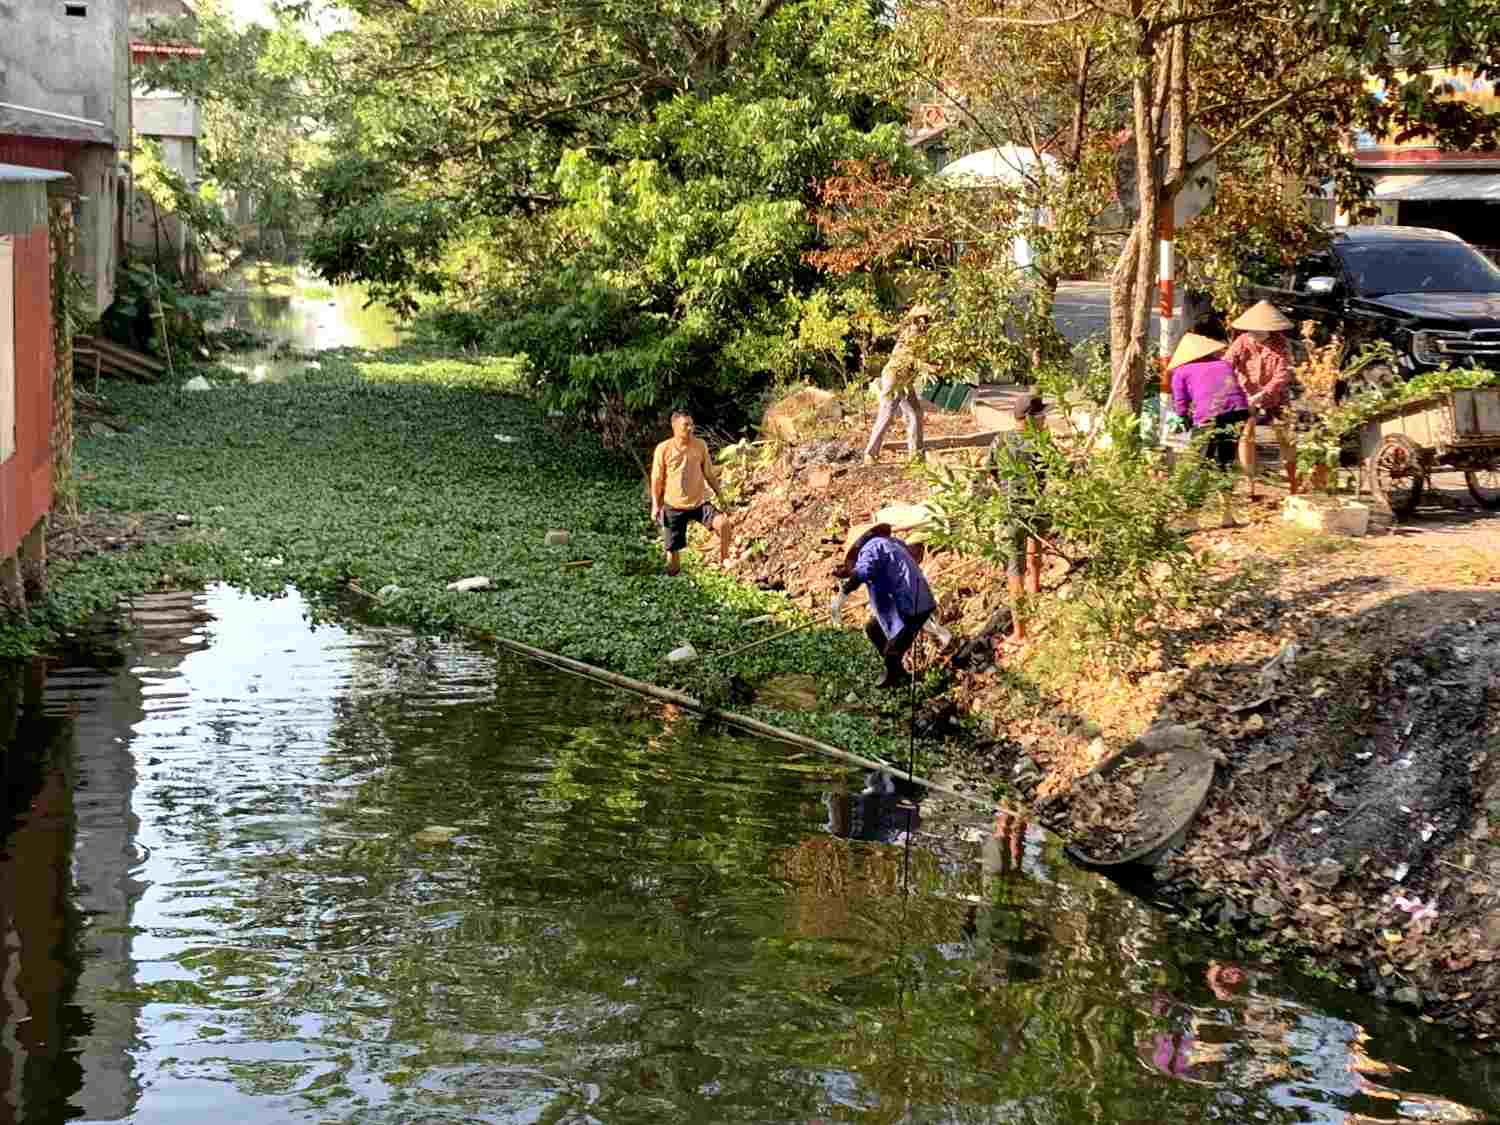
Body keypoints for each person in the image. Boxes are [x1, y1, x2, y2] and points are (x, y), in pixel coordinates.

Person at [831, 522, 936, 689]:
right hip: (911, 599)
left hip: (911, 606)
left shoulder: (871, 547)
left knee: (892, 653)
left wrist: (842, 595)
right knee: (873, 628)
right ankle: (896, 669)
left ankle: (900, 680)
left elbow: (863, 572)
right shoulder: (891, 542)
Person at [1168, 332, 1251, 528]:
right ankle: (1227, 515)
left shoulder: (1181, 372)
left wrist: (1183, 420)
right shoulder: (1223, 364)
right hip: (1238, 413)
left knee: (1201, 464)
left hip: (1209, 416)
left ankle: (1191, 519)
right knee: (1225, 462)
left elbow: (1180, 405)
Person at [988, 394, 1050, 648]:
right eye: (1042, 416)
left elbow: (990, 471)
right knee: (1035, 542)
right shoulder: (1043, 443)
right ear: (1030, 419)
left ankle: (1020, 632)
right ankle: (1034, 588)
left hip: (1010, 513)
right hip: (1036, 507)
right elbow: (1057, 471)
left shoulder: (1000, 441)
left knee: (1014, 571)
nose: (1045, 419)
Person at [1226, 300, 1298, 498]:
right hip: (1247, 394)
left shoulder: (1282, 344)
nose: (1254, 334)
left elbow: (1283, 374)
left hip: (1276, 395)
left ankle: (1293, 485)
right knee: (1246, 436)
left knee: (1285, 437)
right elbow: (1227, 364)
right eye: (1252, 330)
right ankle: (1250, 485)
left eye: (1259, 331)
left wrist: (1264, 393)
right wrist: (1239, 384)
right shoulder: (1242, 341)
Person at [650, 409, 734, 577]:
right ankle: (671, 573)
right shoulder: (663, 449)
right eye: (685, 425)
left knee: (723, 524)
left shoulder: (700, 445)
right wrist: (655, 505)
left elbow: (709, 473)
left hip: (699, 503)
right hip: (673, 506)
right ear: (674, 427)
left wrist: (721, 496)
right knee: (673, 565)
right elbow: (657, 480)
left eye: (691, 424)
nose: (690, 428)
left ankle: (724, 558)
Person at [864, 304, 936, 465]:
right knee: (887, 414)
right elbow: (912, 360)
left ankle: (916, 455)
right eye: (922, 318)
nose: (925, 321)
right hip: (894, 378)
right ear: (916, 319)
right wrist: (929, 367)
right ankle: (870, 453)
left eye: (927, 318)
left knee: (915, 413)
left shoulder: (923, 336)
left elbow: (925, 360)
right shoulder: (912, 334)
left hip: (905, 381)